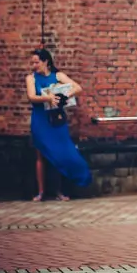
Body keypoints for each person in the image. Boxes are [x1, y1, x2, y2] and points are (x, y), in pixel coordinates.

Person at [26, 48, 91, 200]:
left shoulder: (58, 75)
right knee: (40, 155)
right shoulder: (31, 78)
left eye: (37, 62)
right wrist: (48, 98)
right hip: (40, 119)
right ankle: (41, 191)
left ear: (45, 62)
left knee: (60, 153)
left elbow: (78, 88)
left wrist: (64, 95)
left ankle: (59, 191)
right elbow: (31, 96)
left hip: (56, 119)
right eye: (32, 63)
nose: (34, 65)